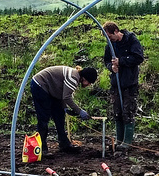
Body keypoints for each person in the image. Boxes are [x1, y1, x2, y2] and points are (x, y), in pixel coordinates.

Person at [30, 65, 97, 155]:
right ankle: (42, 148)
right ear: (84, 78)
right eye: (89, 82)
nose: (88, 85)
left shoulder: (75, 76)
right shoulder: (73, 78)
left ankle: (64, 144)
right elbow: (66, 97)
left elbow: (62, 93)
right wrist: (79, 111)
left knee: (59, 115)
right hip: (40, 85)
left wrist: (64, 107)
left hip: (50, 88)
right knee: (44, 117)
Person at [101, 21, 144, 150]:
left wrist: (122, 61)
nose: (108, 40)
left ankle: (127, 142)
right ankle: (119, 140)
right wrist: (111, 67)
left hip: (129, 83)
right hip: (116, 83)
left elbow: (138, 57)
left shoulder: (131, 40)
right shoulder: (109, 46)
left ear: (115, 31)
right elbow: (107, 61)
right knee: (117, 112)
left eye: (109, 36)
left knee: (128, 111)